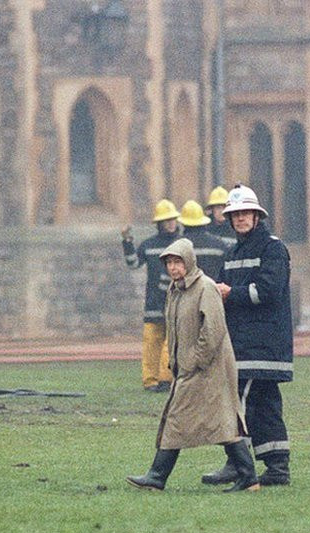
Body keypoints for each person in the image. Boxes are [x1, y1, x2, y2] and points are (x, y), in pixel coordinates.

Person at [126, 238, 259, 493]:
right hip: (191, 368)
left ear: (189, 261)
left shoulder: (205, 288)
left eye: (178, 262)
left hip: (209, 368)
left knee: (181, 418)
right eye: (169, 263)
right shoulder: (176, 290)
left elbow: (213, 330)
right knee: (221, 422)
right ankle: (249, 477)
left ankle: (157, 476)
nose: (174, 268)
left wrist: (192, 361)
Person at [207, 184, 293, 487]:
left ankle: (238, 465)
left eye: (246, 213)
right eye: (236, 214)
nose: (240, 218)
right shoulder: (232, 253)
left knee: (236, 404)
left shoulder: (273, 248)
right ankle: (278, 468)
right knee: (266, 407)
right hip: (244, 344)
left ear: (257, 216)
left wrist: (232, 294)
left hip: (262, 344)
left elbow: (268, 292)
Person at [122, 199, 181, 392]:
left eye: (173, 219)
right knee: (151, 342)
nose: (171, 223)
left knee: (170, 342)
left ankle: (166, 379)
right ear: (159, 223)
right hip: (154, 301)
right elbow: (133, 263)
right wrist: (127, 243)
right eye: (167, 220)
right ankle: (150, 381)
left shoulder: (182, 244)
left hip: (175, 301)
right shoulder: (149, 245)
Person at [176, 199, 229, 280]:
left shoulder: (177, 245)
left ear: (183, 223)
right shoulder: (220, 245)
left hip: (186, 291)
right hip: (214, 290)